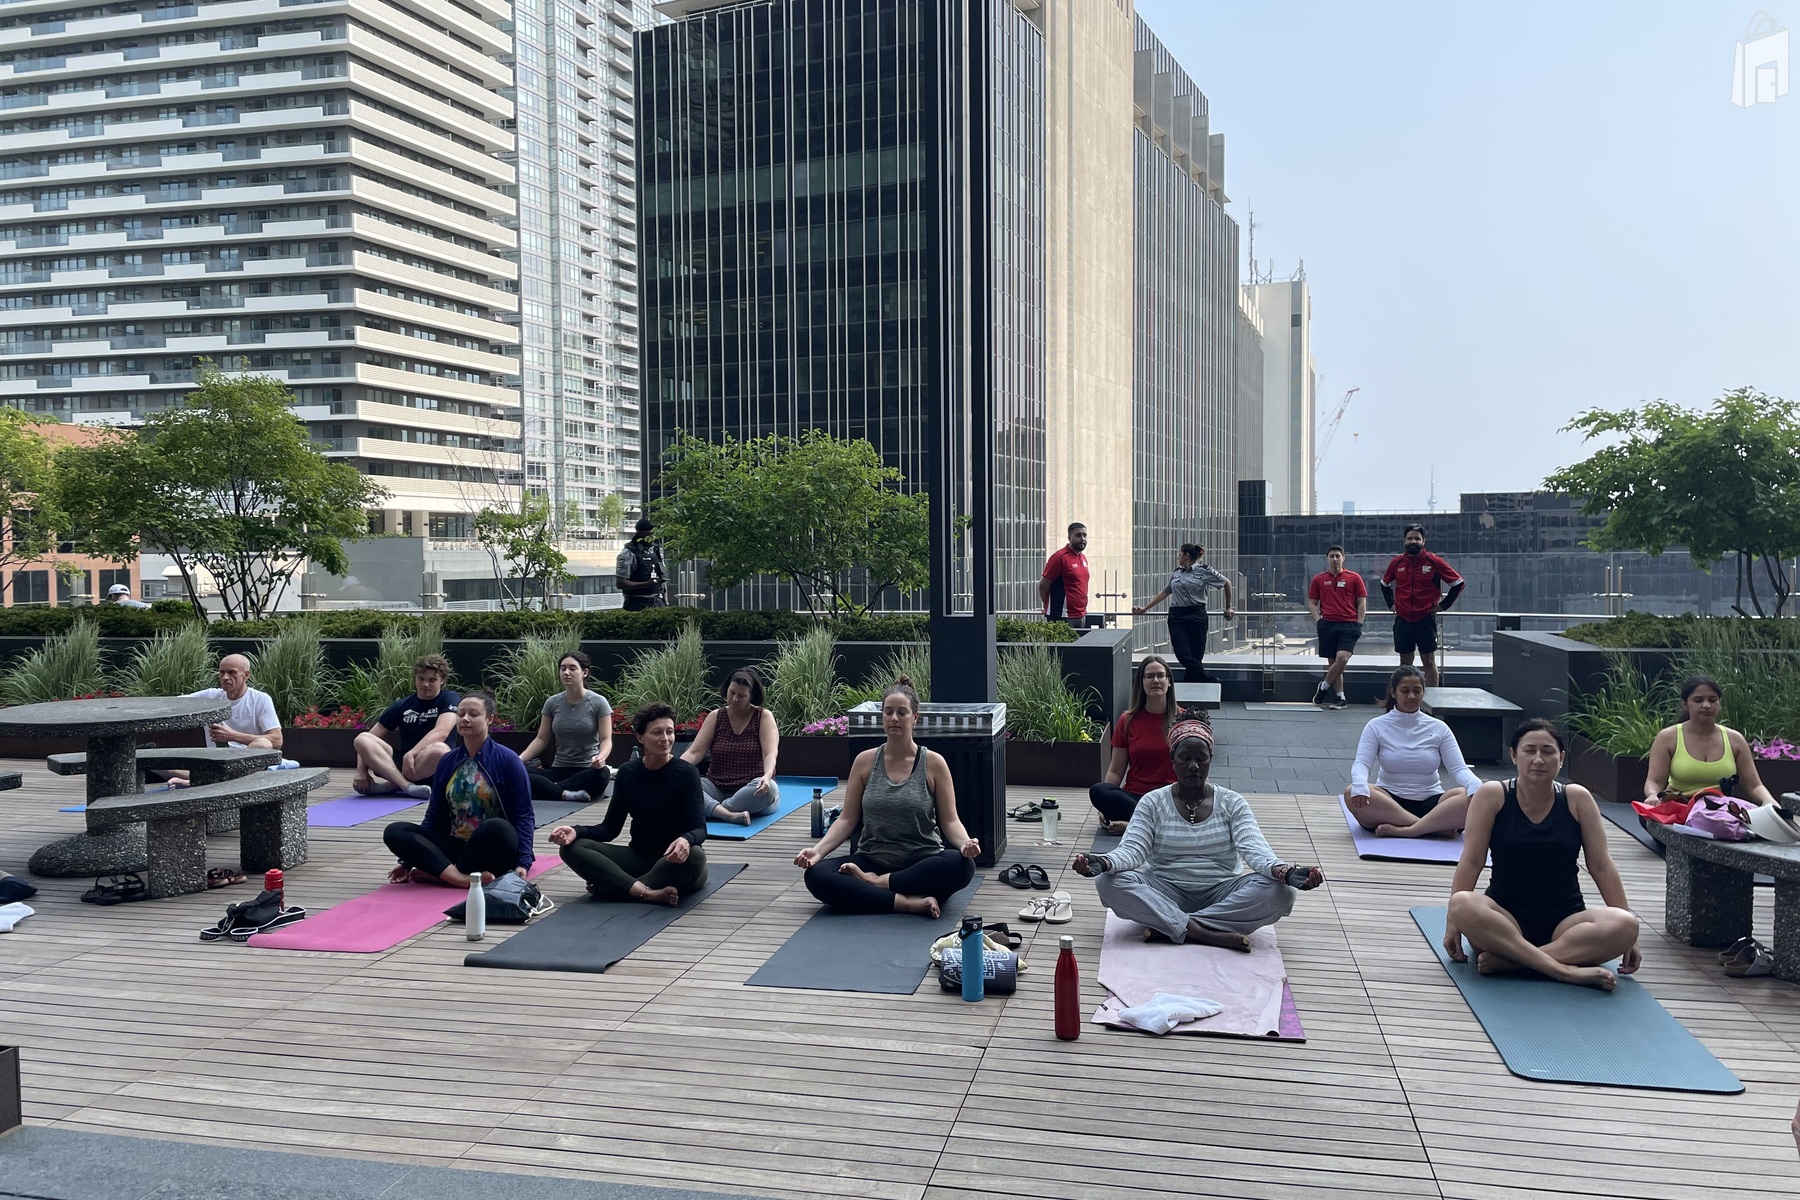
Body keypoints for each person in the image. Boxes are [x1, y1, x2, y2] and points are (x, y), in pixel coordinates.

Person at [1074, 719, 1322, 951]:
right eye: (1185, 758)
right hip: (1165, 891)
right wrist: (1104, 861)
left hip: (1222, 892)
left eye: (1201, 759)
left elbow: (1255, 850)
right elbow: (1132, 850)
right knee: (1107, 881)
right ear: (1173, 760)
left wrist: (1286, 872)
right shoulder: (1152, 802)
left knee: (1283, 892)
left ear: (1210, 760)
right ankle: (1208, 933)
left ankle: (1173, 926)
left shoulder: (1232, 802)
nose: (1193, 766)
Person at [1443, 718, 1641, 990]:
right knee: (1462, 903)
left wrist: (1631, 939)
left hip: (1566, 922)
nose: (1538, 759)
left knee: (1626, 924)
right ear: (1514, 755)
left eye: (1548, 752)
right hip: (1504, 919)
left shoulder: (1577, 798)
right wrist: (1452, 923)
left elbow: (1601, 866)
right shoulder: (1492, 795)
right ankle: (1565, 972)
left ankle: (1516, 963)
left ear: (1561, 758)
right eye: (1529, 750)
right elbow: (1472, 861)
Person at [793, 676, 979, 917]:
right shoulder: (865, 761)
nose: (894, 718)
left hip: (921, 861)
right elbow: (847, 819)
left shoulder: (934, 763)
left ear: (915, 717)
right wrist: (818, 851)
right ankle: (906, 902)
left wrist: (965, 844)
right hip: (872, 858)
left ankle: (877, 886)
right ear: (881, 717)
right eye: (888, 712)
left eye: (902, 712)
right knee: (816, 875)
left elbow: (951, 821)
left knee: (962, 866)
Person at [548, 701, 706, 906]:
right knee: (571, 848)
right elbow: (609, 829)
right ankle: (645, 892)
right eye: (657, 733)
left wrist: (686, 839)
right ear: (640, 737)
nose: (666, 739)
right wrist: (576, 831)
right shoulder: (628, 772)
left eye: (670, 732)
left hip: (674, 862)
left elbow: (700, 828)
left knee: (695, 855)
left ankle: (616, 888)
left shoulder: (687, 773)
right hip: (638, 858)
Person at [383, 692, 536, 887]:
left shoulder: (508, 760)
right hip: (455, 845)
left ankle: (439, 872)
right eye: (461, 714)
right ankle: (459, 878)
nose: (465, 719)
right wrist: (408, 861)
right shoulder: (447, 761)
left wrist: (524, 861)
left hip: (492, 847)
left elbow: (524, 815)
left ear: (490, 719)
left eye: (473, 714)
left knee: (498, 827)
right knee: (395, 831)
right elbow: (434, 814)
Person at [1345, 666, 1483, 838]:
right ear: (1394, 693)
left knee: (1469, 797)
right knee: (1351, 792)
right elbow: (1362, 764)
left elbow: (1458, 769)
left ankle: (1408, 830)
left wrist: (1475, 785)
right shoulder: (1376, 726)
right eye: (1405, 691)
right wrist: (1359, 784)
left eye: (1417, 691)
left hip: (1432, 801)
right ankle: (1432, 827)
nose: (1411, 696)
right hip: (1388, 801)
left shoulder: (1439, 728)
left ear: (1423, 693)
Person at [1643, 675, 1778, 805]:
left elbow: (1754, 786)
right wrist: (1652, 795)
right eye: (1698, 700)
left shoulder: (1735, 740)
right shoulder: (1667, 737)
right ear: (1684, 704)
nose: (1706, 705)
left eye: (1712, 700)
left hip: (1719, 811)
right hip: (1678, 808)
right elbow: (1654, 781)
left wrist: (1769, 801)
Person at [351, 654, 460, 800]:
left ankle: (393, 785)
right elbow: (369, 738)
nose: (425, 684)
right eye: (421, 679)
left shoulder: (449, 698)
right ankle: (407, 786)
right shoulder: (402, 705)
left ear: (442, 681)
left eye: (432, 680)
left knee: (440, 749)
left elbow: (442, 731)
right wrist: (361, 771)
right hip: (404, 766)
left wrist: (412, 754)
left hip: (431, 764)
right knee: (362, 738)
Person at [1089, 656, 1177, 835]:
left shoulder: (1183, 720)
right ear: (1141, 683)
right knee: (1099, 791)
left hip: (1169, 798)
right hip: (1135, 796)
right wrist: (1103, 807)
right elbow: (1115, 770)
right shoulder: (1127, 720)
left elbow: (1198, 769)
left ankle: (1135, 826)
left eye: (1161, 676)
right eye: (1149, 676)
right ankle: (1152, 824)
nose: (1156, 681)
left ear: (1169, 682)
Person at [682, 667, 780, 825]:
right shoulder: (716, 716)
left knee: (771, 790)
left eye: (741, 696)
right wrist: (673, 769)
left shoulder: (763, 717)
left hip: (751, 789)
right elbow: (694, 752)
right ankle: (727, 814)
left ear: (751, 696)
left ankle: (713, 810)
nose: (734, 699)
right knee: (686, 781)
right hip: (716, 786)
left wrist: (767, 776)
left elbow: (770, 753)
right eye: (731, 693)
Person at [518, 651, 614, 808]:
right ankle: (563, 791)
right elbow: (541, 739)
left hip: (586, 770)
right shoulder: (552, 703)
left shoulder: (598, 702)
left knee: (602, 775)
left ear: (585, 672)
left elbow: (606, 739)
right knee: (520, 772)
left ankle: (549, 788)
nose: (566, 673)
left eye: (572, 668)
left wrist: (601, 757)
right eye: (563, 669)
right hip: (558, 769)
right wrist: (518, 760)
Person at [1133, 544, 1234, 683]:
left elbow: (1226, 583)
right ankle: (1206, 680)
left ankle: (1191, 691)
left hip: (1197, 615)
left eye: (1179, 554)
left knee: (1196, 655)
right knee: (1182, 654)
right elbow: (1165, 592)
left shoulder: (1204, 570)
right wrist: (1145, 608)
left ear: (1187, 556)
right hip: (1177, 615)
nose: (1177, 557)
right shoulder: (1177, 572)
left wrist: (1228, 607)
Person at [1379, 524, 1465, 687]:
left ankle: (1432, 701)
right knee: (1405, 663)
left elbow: (1458, 583)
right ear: (1404, 540)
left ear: (1423, 541)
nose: (1413, 541)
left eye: (1417, 538)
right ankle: (1404, 699)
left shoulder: (1434, 561)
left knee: (1429, 661)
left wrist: (1443, 606)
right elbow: (1384, 583)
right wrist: (1391, 604)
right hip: (1403, 619)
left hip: (1425, 619)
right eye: (1410, 538)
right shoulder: (1397, 562)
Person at [1306, 545, 1366, 710]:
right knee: (1333, 663)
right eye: (1331, 556)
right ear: (1327, 558)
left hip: (1349, 624)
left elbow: (1361, 602)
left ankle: (1323, 687)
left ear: (1343, 558)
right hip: (1328, 624)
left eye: (1337, 556)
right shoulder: (1319, 579)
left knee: (1342, 659)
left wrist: (1358, 623)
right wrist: (1319, 621)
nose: (1334, 559)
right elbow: (1312, 603)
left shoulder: (1354, 578)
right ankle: (1341, 697)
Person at [187, 654, 282, 753]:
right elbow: (175, 703)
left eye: (232, 672)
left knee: (263, 744)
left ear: (246, 675)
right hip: (216, 757)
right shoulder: (210, 697)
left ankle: (241, 767)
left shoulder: (260, 699)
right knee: (173, 767)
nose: (225, 677)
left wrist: (233, 736)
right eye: (222, 672)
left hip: (249, 758)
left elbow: (277, 740)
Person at [1039, 521, 1090, 627]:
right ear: (1069, 537)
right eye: (1078, 535)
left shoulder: (1082, 557)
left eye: (1084, 535)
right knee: (1064, 644)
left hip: (1081, 615)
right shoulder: (1059, 558)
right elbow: (1043, 585)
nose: (1082, 538)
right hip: (1062, 616)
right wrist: (1047, 605)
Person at [616, 517, 667, 610]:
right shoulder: (628, 553)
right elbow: (620, 583)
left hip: (657, 602)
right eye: (648, 533)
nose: (651, 537)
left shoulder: (657, 551)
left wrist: (665, 602)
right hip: (635, 604)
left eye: (653, 534)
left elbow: (662, 581)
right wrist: (645, 584)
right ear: (639, 533)